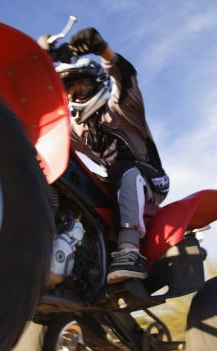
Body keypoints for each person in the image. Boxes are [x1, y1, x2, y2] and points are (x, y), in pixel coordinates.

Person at [55, 27, 169, 284]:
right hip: (117, 182)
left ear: (97, 84)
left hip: (152, 179)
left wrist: (102, 49)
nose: (74, 94)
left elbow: (125, 77)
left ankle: (130, 253)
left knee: (123, 170)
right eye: (69, 90)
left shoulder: (121, 109)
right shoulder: (76, 127)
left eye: (79, 86)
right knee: (74, 184)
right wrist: (40, 58)